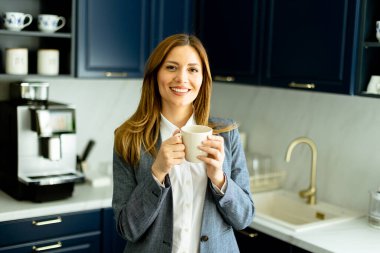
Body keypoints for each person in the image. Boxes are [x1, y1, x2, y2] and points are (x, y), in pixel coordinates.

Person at [112, 33, 254, 253]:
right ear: (155, 74)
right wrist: (157, 173)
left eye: (192, 69)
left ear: (203, 79)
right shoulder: (129, 139)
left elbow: (244, 218)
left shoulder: (227, 134)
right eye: (171, 67)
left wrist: (219, 179)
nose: (182, 78)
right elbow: (127, 229)